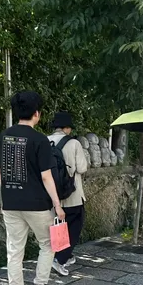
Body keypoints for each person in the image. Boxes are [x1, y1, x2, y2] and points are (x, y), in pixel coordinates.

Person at [0, 91, 66, 285]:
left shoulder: (3, 137)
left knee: (14, 249)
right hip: (37, 204)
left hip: (11, 203)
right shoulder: (39, 140)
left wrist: (6, 197)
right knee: (47, 244)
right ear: (37, 114)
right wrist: (57, 204)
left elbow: (0, 173)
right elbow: (46, 176)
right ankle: (40, 284)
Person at [47, 111, 88, 275]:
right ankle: (60, 260)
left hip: (51, 194)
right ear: (67, 128)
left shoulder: (45, 141)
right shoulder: (74, 144)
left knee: (57, 227)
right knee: (74, 227)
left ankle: (62, 255)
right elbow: (82, 168)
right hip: (72, 194)